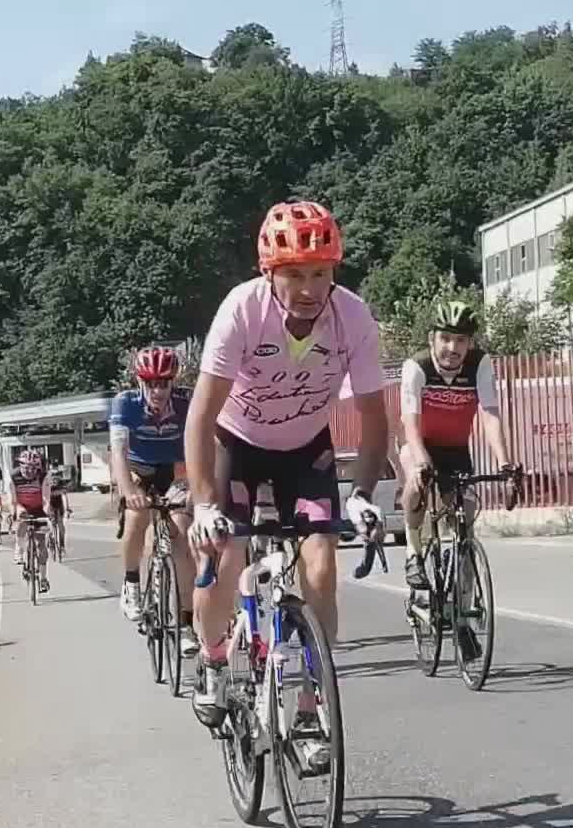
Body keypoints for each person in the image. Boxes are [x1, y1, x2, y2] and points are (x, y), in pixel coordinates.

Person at [184, 200, 388, 774]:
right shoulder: (241, 313)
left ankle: (309, 707)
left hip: (305, 448)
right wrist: (203, 506)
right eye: (294, 274)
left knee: (322, 564)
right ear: (268, 273)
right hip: (238, 445)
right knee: (223, 557)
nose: (308, 288)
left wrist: (365, 492)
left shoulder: (352, 318)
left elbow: (375, 420)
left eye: (319, 273)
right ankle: (213, 658)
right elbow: (200, 418)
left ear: (334, 272)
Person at [398, 299, 515, 596]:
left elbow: (490, 414)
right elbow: (410, 424)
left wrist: (505, 463)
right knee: (415, 482)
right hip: (419, 445)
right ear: (432, 339)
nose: (452, 348)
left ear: (469, 343)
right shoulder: (417, 367)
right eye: (445, 338)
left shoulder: (479, 364)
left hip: (455, 449)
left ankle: (464, 606)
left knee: (467, 511)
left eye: (460, 340)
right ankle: (413, 553)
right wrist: (423, 464)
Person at [111, 345, 199, 658]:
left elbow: (202, 445)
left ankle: (188, 625)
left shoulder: (187, 402)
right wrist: (127, 491)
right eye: (151, 383)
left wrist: (199, 488)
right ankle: (131, 584)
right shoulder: (125, 403)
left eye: (164, 382)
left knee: (182, 544)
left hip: (174, 472)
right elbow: (118, 455)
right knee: (138, 515)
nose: (158, 390)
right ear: (140, 382)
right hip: (137, 470)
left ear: (173, 381)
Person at [12, 448, 52, 593]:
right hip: (22, 506)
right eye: (26, 468)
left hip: (38, 507)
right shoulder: (14, 476)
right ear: (20, 466)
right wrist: (16, 512)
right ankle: (20, 549)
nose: (29, 472)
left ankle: (43, 578)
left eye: (33, 468)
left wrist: (46, 514)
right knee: (21, 521)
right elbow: (12, 500)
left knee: (41, 545)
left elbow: (46, 499)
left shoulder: (43, 476)